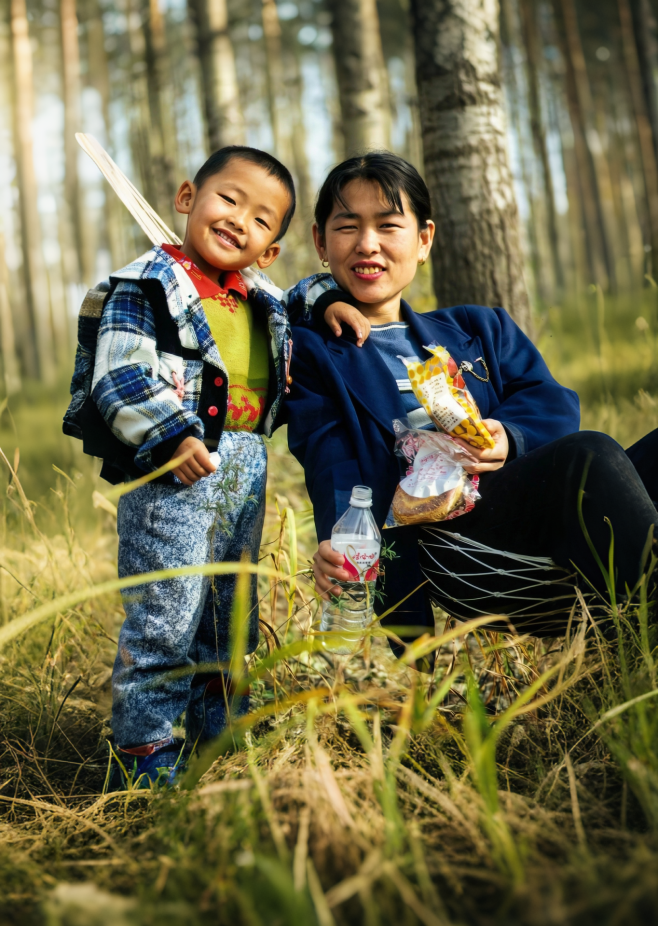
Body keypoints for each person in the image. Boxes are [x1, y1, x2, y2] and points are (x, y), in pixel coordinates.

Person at [70, 146, 368, 786]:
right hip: (175, 467)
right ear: (187, 199)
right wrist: (170, 433)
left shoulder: (259, 296)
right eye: (228, 199)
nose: (239, 219)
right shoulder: (148, 286)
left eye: (263, 220)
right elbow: (118, 370)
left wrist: (328, 303)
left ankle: (222, 726)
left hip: (245, 463)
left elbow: (303, 291)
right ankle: (144, 746)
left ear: (269, 251)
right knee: (167, 607)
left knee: (230, 605)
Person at [284, 151, 658, 650]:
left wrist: (511, 436)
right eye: (348, 227)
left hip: (534, 517)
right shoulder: (314, 353)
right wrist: (341, 540)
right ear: (320, 243)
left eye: (389, 225)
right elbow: (331, 456)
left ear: (424, 241)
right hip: (459, 551)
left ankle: (637, 622)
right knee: (587, 457)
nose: (367, 244)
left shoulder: (479, 329)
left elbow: (550, 400)